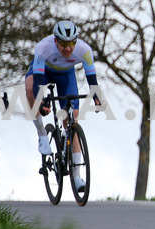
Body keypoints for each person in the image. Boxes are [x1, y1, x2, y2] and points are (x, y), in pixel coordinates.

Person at [25, 20, 101, 192]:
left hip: (65, 76)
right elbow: (37, 81)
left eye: (71, 44)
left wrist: (96, 96)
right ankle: (42, 134)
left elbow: (92, 79)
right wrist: (41, 100)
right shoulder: (43, 47)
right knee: (30, 89)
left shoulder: (85, 50)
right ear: (56, 41)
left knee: (73, 119)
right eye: (64, 44)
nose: (68, 48)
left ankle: (76, 176)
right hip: (43, 73)